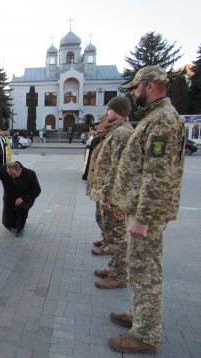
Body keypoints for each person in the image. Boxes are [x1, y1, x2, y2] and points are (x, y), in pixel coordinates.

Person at [108, 66, 185, 354]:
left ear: (150, 86)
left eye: (135, 87)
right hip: (142, 211)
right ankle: (139, 315)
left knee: (145, 271)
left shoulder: (162, 121)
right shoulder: (155, 118)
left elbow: (157, 175)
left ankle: (145, 334)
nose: (132, 93)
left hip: (147, 216)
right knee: (141, 268)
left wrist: (143, 218)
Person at [93, 96, 133, 289]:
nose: (106, 113)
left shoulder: (122, 134)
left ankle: (119, 275)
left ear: (116, 111)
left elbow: (117, 167)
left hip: (115, 196)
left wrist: (107, 195)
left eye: (108, 109)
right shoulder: (116, 131)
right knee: (114, 234)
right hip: (111, 193)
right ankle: (114, 268)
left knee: (118, 237)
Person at [0, 161, 41, 237]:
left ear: (19, 170)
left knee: (21, 209)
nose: (12, 177)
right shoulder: (4, 170)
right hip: (10, 197)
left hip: (27, 198)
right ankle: (14, 223)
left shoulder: (31, 174)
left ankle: (20, 228)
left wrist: (23, 198)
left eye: (14, 175)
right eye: (10, 175)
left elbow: (37, 190)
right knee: (9, 220)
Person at [85, 115, 109, 254]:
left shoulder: (114, 137)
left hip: (106, 190)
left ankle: (109, 244)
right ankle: (106, 239)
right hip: (100, 188)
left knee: (107, 220)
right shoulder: (102, 139)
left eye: (99, 124)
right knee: (101, 217)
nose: (96, 127)